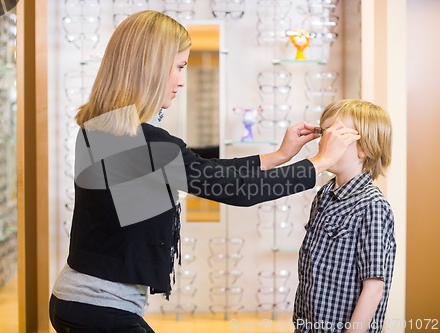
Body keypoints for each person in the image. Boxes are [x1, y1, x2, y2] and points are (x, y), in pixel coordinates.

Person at [49, 10, 360, 333]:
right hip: (100, 308)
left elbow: (205, 172)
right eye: (179, 67)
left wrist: (279, 155)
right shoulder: (145, 142)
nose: (182, 80)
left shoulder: (103, 130)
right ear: (151, 68)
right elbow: (236, 191)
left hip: (79, 301)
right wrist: (319, 162)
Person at [293, 99, 396, 333]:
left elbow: (373, 288)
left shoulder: (372, 206)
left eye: (335, 136)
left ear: (365, 148)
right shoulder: (324, 195)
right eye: (323, 134)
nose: (323, 142)